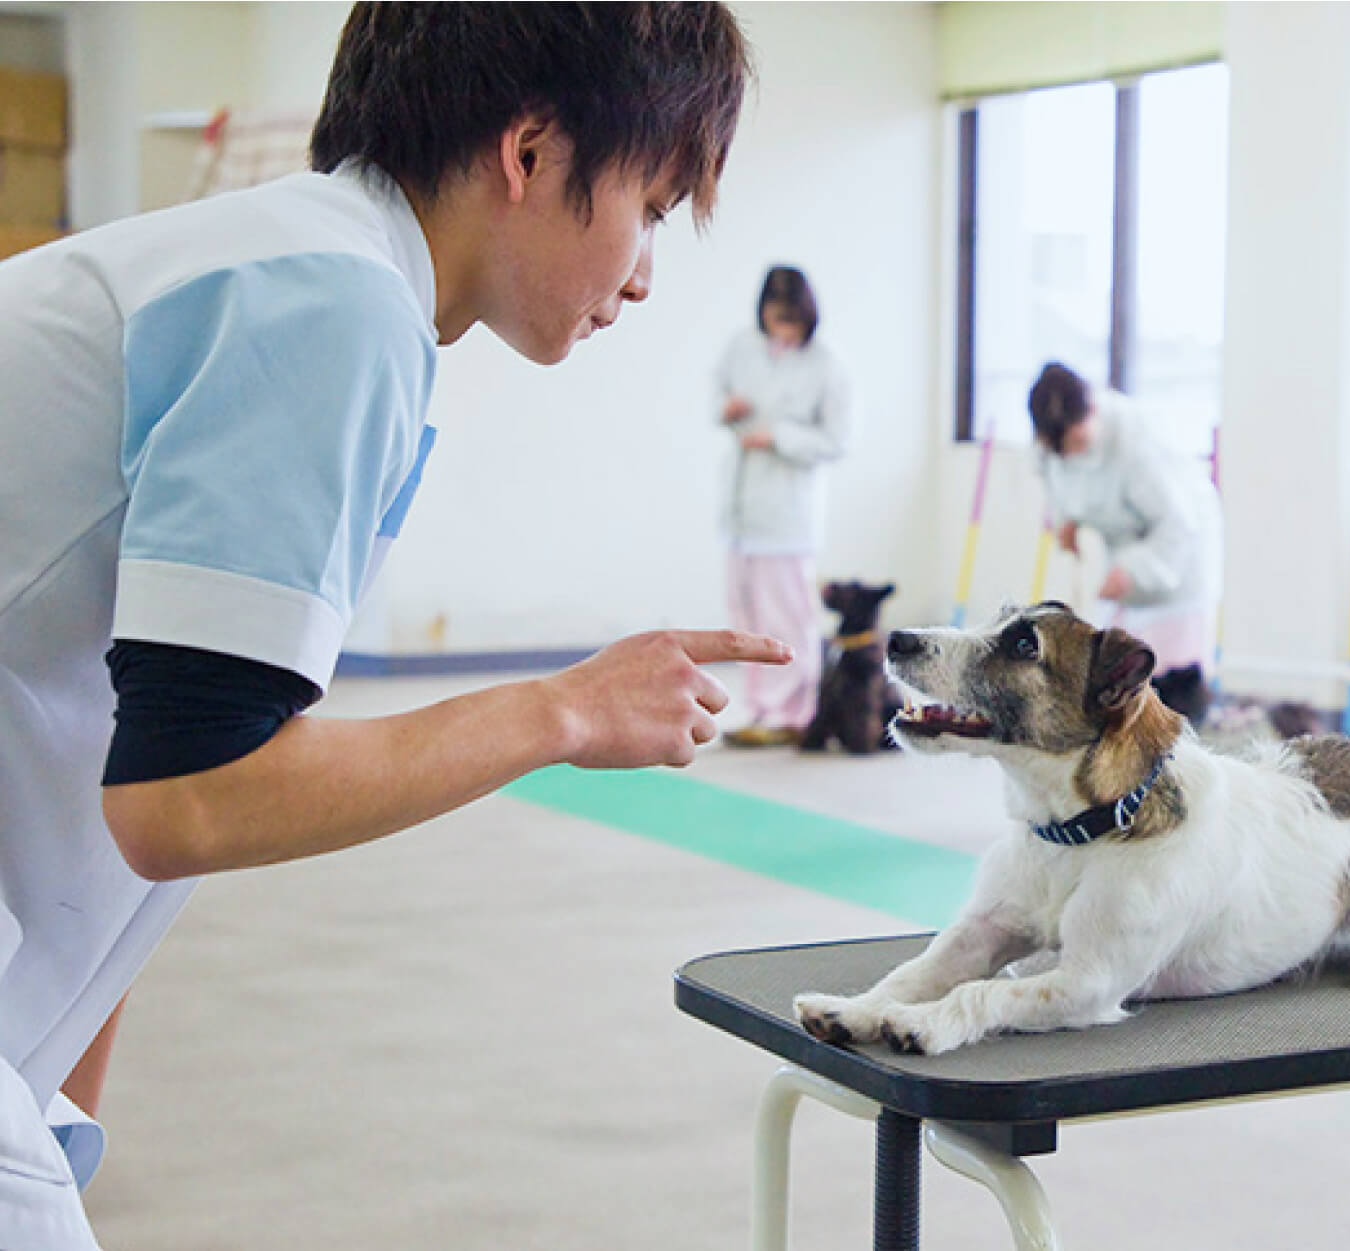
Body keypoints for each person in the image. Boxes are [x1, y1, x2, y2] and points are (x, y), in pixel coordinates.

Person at [0, 7, 786, 1246]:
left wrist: (48, 1106)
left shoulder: (299, 275)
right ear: (529, 153)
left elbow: (155, 768)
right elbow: (187, 796)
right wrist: (565, 708)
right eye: (650, 206)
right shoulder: (330, 303)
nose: (642, 276)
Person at [1026, 362, 1223, 714]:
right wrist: (1068, 518)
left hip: (1176, 560)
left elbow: (1177, 525)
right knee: (1117, 679)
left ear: (1094, 412)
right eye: (1061, 450)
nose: (1070, 455)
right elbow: (1058, 478)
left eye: (1077, 443)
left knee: (1169, 689)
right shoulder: (1050, 443)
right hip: (1123, 558)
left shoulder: (1139, 445)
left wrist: (1134, 571)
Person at [714, 265, 853, 747]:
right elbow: (718, 393)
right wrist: (726, 409)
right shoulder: (742, 347)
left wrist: (779, 437)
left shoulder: (827, 364)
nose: (783, 328)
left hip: (787, 513)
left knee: (787, 616)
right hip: (742, 508)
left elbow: (836, 440)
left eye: (792, 318)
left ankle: (796, 711)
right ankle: (759, 709)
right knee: (746, 615)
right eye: (775, 317)